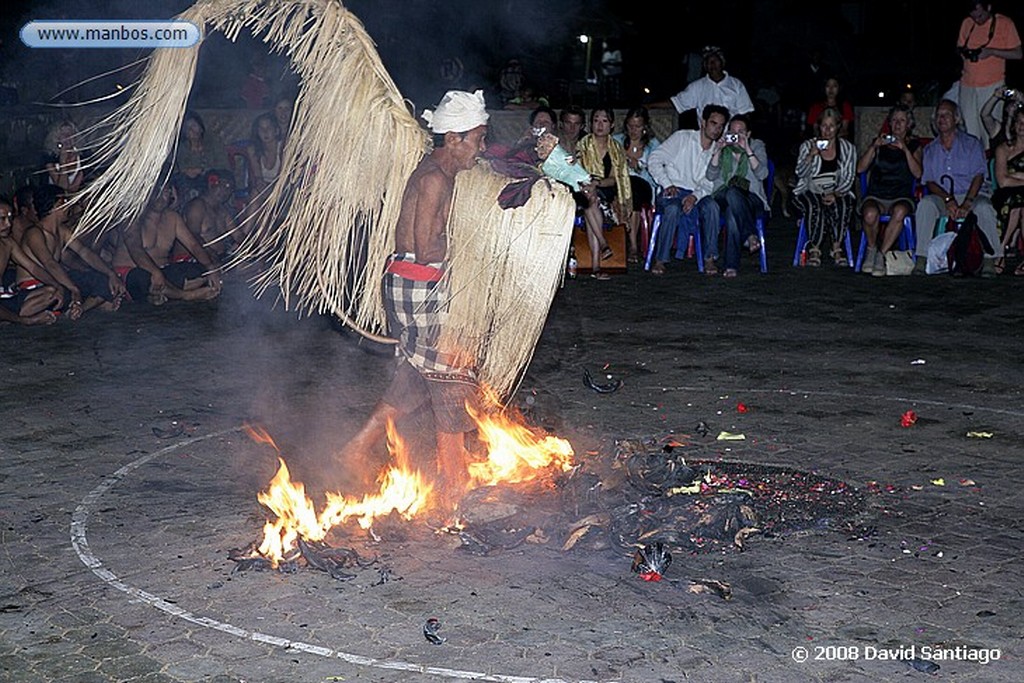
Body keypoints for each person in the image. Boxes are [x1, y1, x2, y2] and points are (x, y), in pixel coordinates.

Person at [336, 89, 489, 509]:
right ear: (454, 139)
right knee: (448, 375)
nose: (482, 147)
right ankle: (454, 478)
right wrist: (473, 251)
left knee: (419, 377)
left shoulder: (440, 172)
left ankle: (356, 447)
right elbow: (426, 248)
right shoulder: (436, 178)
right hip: (416, 284)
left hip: (415, 285)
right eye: (478, 138)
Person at [913, 99, 1000, 276]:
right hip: (944, 196)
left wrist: (968, 202)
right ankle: (921, 259)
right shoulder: (930, 149)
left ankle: (991, 258)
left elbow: (978, 175)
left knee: (984, 208)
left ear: (956, 119)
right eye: (938, 115)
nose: (941, 119)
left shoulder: (972, 144)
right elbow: (929, 180)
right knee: (925, 205)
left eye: (946, 115)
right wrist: (948, 199)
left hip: (971, 194)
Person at [19, 185, 127, 317]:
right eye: (66, 201)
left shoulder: (62, 231)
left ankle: (78, 309)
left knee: (103, 281)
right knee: (57, 292)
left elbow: (84, 252)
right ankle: (76, 305)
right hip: (37, 287)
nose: (70, 206)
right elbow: (49, 263)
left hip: (58, 282)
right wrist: (73, 288)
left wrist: (111, 274)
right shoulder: (34, 233)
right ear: (57, 204)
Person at [646, 104, 727, 275]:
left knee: (712, 207)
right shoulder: (682, 138)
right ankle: (661, 259)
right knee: (673, 208)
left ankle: (710, 258)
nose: (716, 129)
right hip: (673, 189)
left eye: (720, 126)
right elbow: (654, 159)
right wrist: (667, 183)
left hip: (698, 193)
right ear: (703, 122)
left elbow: (710, 182)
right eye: (713, 123)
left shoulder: (718, 150)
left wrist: (694, 196)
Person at [111, 184, 223, 304]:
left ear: (171, 194)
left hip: (163, 274)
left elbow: (193, 245)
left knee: (200, 269)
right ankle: (185, 295)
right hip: (131, 274)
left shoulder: (172, 218)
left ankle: (163, 294)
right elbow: (136, 251)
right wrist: (155, 272)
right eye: (155, 191)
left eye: (164, 191)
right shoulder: (132, 218)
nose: (159, 196)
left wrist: (210, 268)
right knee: (142, 278)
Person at [856, 104, 923, 276]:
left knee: (900, 211)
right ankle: (871, 248)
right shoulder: (880, 143)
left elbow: (918, 173)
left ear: (909, 124)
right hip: (877, 194)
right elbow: (860, 169)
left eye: (902, 121)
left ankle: (882, 254)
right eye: (894, 120)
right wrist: (874, 147)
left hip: (900, 196)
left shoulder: (914, 145)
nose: (897, 124)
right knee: (870, 214)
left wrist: (905, 149)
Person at [702, 114, 769, 277]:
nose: (736, 135)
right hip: (723, 195)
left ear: (748, 134)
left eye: (741, 131)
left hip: (751, 198)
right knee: (731, 192)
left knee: (733, 213)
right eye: (732, 131)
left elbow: (763, 174)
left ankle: (731, 265)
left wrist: (747, 149)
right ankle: (750, 235)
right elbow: (710, 176)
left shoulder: (757, 145)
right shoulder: (722, 147)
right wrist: (718, 151)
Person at [792, 107, 857, 267]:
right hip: (810, 188)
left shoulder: (848, 148)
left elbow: (849, 176)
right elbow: (800, 173)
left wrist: (836, 193)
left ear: (838, 127)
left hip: (836, 189)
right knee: (815, 205)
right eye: (824, 126)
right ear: (818, 126)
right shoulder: (808, 145)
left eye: (831, 126)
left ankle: (836, 246)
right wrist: (810, 156)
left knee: (843, 203)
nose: (827, 130)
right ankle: (815, 248)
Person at [956, 2, 1022, 148]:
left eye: (980, 15)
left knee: (990, 133)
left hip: (992, 86)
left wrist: (992, 51)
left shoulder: (1005, 23)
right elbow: (960, 48)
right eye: (973, 16)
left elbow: (1018, 53)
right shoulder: (967, 23)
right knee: (970, 134)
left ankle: (992, 165)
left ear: (989, 7)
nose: (977, 20)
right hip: (967, 85)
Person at [576, 106, 632, 280]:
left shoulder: (616, 148)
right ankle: (602, 246)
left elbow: (615, 178)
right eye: (596, 120)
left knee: (592, 201)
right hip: (583, 190)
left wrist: (596, 183)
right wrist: (588, 184)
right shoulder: (583, 144)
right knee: (589, 200)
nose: (600, 125)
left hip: (606, 192)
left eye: (604, 121)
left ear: (612, 125)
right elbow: (576, 171)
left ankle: (596, 265)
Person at [657, 47, 753, 130]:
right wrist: (648, 106)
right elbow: (676, 103)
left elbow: (745, 112)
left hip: (730, 137)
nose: (712, 64)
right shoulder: (697, 86)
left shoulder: (736, 85)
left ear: (722, 63)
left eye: (715, 61)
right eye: (708, 62)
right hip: (707, 137)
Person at [0, 196, 62, 325]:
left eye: (10, 218)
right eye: (2, 219)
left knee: (51, 291)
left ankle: (10, 317)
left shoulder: (8, 243)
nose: (8, 224)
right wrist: (27, 321)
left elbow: (32, 267)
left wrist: (57, 285)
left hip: (5, 298)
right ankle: (23, 319)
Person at [612, 106, 660, 262]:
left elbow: (657, 174)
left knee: (634, 189)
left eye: (638, 126)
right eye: (631, 126)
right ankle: (626, 243)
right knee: (626, 190)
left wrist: (638, 167)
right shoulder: (617, 141)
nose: (634, 130)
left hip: (643, 185)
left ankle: (632, 245)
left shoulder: (653, 145)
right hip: (619, 185)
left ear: (645, 126)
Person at [992, 103, 1024, 274]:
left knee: (1021, 205)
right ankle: (1001, 250)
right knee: (1017, 203)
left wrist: (1015, 176)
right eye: (1019, 122)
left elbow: (1009, 176)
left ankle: (1001, 252)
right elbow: (1002, 181)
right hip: (1005, 195)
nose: (1022, 126)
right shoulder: (1004, 148)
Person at [183, 170, 240, 259]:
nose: (226, 192)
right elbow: (192, 236)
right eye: (223, 186)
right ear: (211, 184)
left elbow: (237, 234)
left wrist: (252, 247)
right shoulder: (197, 206)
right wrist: (210, 257)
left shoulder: (223, 210)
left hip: (220, 257)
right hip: (196, 259)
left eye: (230, 188)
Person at [174, 111, 229, 202]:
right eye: (188, 128)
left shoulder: (213, 142)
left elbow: (223, 165)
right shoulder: (182, 148)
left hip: (214, 178)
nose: (192, 131)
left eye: (194, 126)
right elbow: (179, 167)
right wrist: (193, 147)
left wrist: (204, 171)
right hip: (190, 181)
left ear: (201, 127)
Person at [245, 113, 283, 197]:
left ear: (276, 131)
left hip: (281, 189)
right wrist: (261, 185)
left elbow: (281, 178)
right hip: (263, 189)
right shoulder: (253, 150)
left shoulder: (283, 148)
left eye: (269, 128)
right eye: (261, 129)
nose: (265, 132)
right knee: (256, 193)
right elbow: (258, 177)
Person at [44, 121, 84, 193]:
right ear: (57, 138)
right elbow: (61, 188)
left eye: (70, 134)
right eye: (63, 134)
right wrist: (63, 163)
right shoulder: (50, 158)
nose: (68, 137)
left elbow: (74, 189)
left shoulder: (82, 157)